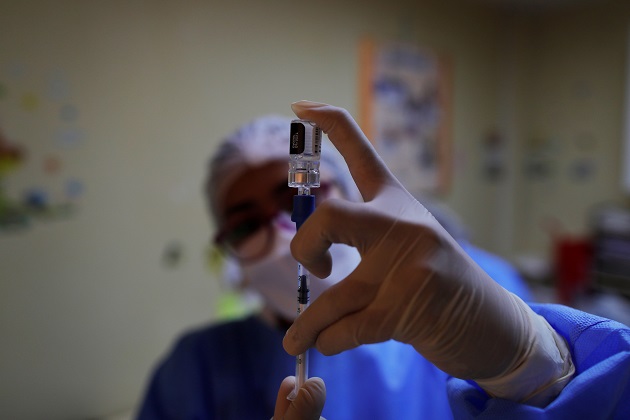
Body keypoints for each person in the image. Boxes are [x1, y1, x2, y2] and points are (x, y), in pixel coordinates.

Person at [136, 114, 533, 419]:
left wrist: (526, 371)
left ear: (350, 194)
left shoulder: (466, 288)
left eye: (295, 197)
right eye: (244, 225)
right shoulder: (198, 367)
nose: (281, 238)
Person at [274, 100, 630, 419]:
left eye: (284, 198)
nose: (276, 229)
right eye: (244, 227)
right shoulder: (222, 358)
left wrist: (525, 362)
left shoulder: (466, 277)